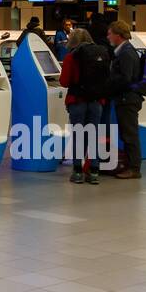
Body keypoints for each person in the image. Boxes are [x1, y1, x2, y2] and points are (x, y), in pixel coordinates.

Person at [59, 28, 108, 185]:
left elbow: (64, 81)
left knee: (78, 135)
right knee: (93, 135)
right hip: (96, 101)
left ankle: (77, 172)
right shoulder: (101, 53)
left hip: (77, 101)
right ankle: (94, 172)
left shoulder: (71, 57)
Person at [105, 20, 143, 180]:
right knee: (127, 133)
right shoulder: (124, 50)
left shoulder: (126, 52)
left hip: (127, 99)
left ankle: (134, 169)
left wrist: (108, 85)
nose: (108, 36)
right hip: (126, 98)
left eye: (110, 33)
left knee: (129, 134)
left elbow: (125, 78)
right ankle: (131, 166)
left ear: (118, 35)